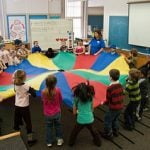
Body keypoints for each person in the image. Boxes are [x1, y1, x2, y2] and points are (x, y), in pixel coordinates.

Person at [69, 81, 101, 147]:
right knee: (94, 131)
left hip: (80, 120)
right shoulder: (91, 97)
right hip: (90, 119)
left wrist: (78, 112)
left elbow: (74, 112)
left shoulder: (76, 99)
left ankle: (71, 143)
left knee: (75, 132)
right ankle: (98, 143)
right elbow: (92, 109)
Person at [13, 69, 37, 146]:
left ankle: (16, 133)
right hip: (24, 107)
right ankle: (30, 141)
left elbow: (15, 91)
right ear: (24, 78)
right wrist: (32, 89)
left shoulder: (14, 84)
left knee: (17, 120)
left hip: (17, 106)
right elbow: (34, 94)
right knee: (28, 123)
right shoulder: (26, 86)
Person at [41, 75, 64, 147]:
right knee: (58, 126)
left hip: (47, 114)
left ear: (46, 83)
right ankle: (59, 140)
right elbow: (60, 99)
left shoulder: (43, 92)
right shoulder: (58, 90)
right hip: (57, 112)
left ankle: (49, 142)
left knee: (49, 127)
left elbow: (43, 101)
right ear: (55, 83)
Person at [102, 69, 124, 139]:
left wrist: (103, 102)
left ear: (111, 77)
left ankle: (108, 134)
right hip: (120, 106)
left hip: (113, 108)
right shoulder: (120, 85)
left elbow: (108, 100)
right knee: (115, 119)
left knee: (107, 120)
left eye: (109, 75)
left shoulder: (110, 88)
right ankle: (116, 131)